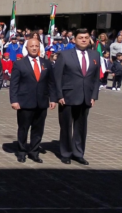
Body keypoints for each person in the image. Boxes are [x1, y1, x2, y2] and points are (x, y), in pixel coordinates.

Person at [52, 28, 100, 165]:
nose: (84, 40)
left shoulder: (95, 55)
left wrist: (94, 95)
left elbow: (96, 78)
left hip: (86, 97)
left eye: (86, 37)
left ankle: (78, 153)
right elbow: (57, 77)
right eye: (81, 37)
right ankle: (66, 153)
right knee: (66, 126)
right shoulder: (65, 55)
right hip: (67, 96)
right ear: (74, 40)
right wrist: (59, 95)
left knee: (81, 127)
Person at [9, 37, 55, 163]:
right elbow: (14, 84)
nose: (34, 48)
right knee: (23, 128)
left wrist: (53, 99)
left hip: (42, 101)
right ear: (27, 48)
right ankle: (22, 151)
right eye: (31, 46)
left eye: (36, 46)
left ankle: (34, 152)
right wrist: (14, 100)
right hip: (25, 102)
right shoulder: (19, 63)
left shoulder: (46, 63)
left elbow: (51, 82)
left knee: (38, 129)